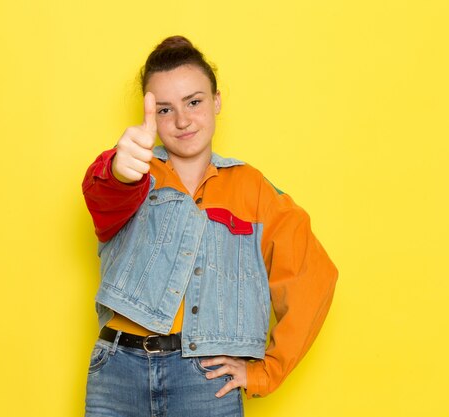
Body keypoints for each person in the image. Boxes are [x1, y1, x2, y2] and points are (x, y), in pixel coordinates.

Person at [82, 35, 338, 417]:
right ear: (149, 114)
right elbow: (101, 194)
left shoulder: (254, 189)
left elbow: (312, 275)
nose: (183, 120)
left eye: (194, 102)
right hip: (118, 372)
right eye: (165, 110)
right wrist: (118, 170)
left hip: (204, 382)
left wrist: (266, 372)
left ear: (217, 101)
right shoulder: (132, 171)